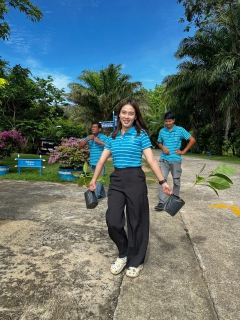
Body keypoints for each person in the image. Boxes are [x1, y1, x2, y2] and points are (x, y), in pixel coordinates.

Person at [89, 99, 173, 278]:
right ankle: (124, 252)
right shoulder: (113, 136)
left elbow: (150, 160)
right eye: (124, 112)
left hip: (135, 178)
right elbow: (102, 160)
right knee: (113, 220)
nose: (127, 116)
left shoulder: (140, 134)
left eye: (131, 113)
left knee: (136, 221)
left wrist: (162, 181)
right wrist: (94, 179)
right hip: (117, 179)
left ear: (135, 117)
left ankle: (136, 261)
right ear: (119, 114)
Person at [155, 111, 196, 211]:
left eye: (169, 121)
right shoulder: (162, 131)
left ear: (173, 120)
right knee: (162, 180)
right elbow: (159, 143)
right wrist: (163, 147)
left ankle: (174, 201)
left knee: (176, 181)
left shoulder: (180, 130)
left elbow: (192, 140)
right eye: (166, 121)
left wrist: (183, 151)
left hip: (176, 160)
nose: (168, 123)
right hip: (164, 160)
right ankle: (161, 202)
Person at [79, 122, 108, 199]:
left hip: (101, 163)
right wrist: (87, 139)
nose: (93, 128)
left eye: (95, 127)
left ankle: (94, 197)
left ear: (99, 129)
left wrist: (99, 142)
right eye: (92, 127)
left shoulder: (104, 137)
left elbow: (109, 146)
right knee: (97, 179)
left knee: (98, 180)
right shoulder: (89, 137)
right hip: (92, 162)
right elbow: (80, 146)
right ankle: (102, 194)